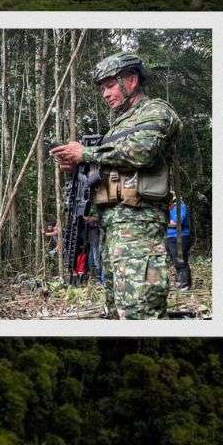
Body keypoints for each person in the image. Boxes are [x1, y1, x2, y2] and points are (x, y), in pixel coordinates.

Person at [50, 52, 180, 319]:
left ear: (131, 81)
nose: (105, 94)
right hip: (112, 227)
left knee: (142, 306)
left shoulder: (154, 111)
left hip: (140, 226)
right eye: (102, 89)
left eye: (110, 85)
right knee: (116, 307)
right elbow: (111, 169)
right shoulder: (115, 127)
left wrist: (85, 153)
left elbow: (142, 151)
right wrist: (78, 166)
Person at [166, 192, 192, 290]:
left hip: (179, 236)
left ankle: (185, 285)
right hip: (170, 237)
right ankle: (181, 282)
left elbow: (176, 223)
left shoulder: (180, 207)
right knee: (175, 261)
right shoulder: (169, 209)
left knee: (180, 260)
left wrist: (165, 222)